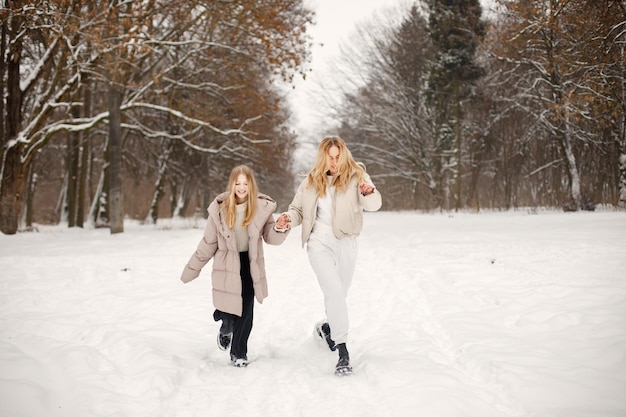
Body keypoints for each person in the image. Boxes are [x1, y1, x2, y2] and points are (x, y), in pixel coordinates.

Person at [275, 136, 382, 375]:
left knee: (339, 296)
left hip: (346, 242)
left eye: (337, 157)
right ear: (323, 157)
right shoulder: (311, 181)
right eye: (329, 157)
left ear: (343, 154)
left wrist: (369, 192)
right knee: (334, 291)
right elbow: (297, 210)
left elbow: (374, 204)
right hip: (319, 242)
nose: (334, 162)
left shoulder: (357, 175)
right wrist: (286, 220)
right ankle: (343, 351)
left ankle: (327, 328)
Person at [181, 165, 289, 367]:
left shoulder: (261, 209)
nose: (241, 187)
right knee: (230, 312)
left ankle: (239, 354)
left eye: (245, 183)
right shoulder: (220, 210)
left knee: (246, 313)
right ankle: (225, 326)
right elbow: (208, 243)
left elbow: (270, 237)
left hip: (249, 266)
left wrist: (280, 228)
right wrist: (192, 268)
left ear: (251, 185)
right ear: (232, 185)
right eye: (237, 183)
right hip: (226, 266)